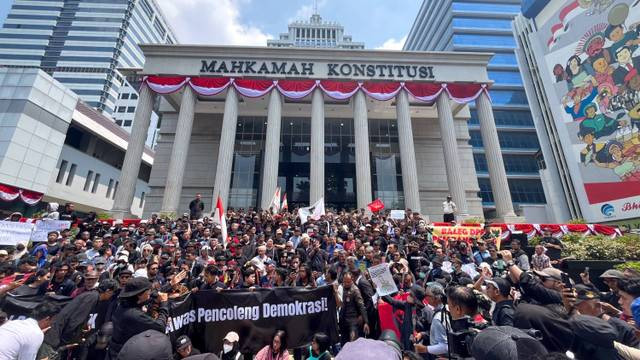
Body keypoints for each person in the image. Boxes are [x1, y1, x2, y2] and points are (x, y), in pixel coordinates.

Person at [108, 277, 170, 359]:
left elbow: (148, 297)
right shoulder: (133, 314)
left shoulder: (123, 305)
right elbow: (160, 327)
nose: (149, 293)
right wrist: (164, 304)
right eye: (148, 291)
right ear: (139, 295)